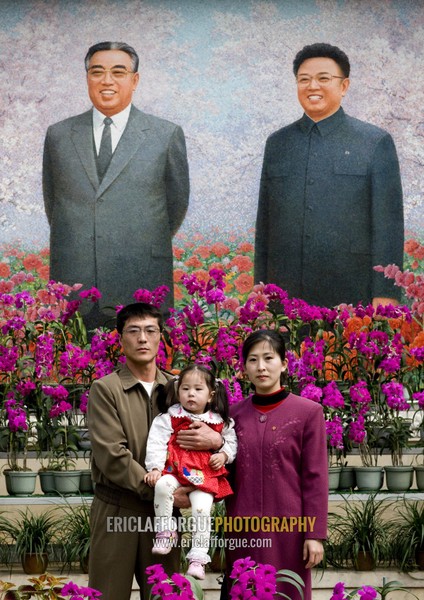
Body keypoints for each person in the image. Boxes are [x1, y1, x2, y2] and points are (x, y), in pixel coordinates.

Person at [43, 41, 189, 331]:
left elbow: (176, 205)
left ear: (134, 80)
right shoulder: (59, 135)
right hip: (76, 282)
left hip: (141, 279)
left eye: (118, 72)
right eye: (97, 72)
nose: (106, 80)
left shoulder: (165, 134)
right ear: (88, 78)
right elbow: (54, 205)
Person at [87, 303, 223, 600]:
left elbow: (220, 427)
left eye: (150, 331)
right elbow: (113, 455)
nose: (142, 338)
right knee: (107, 594)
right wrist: (163, 491)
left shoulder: (179, 388)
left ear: (161, 337)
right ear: (120, 338)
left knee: (166, 595)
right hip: (118, 509)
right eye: (133, 331)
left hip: (164, 516)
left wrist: (218, 444)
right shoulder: (105, 389)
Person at [254, 42, 404, 308]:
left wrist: (386, 295)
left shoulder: (374, 142)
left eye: (324, 78)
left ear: (344, 86)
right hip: (284, 296)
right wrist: (260, 292)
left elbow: (388, 228)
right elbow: (265, 225)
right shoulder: (277, 143)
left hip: (351, 293)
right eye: (304, 79)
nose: (313, 86)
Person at [221, 329, 328, 600]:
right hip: (242, 529)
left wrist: (314, 534)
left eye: (269, 358)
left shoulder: (308, 413)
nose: (261, 367)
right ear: (244, 367)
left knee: (285, 592)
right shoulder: (233, 416)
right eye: (253, 360)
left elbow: (315, 477)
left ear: (284, 363)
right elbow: (223, 471)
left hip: (289, 532)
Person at [144, 364, 237, 580]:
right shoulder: (169, 417)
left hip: (205, 474)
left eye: (198, 389)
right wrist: (155, 468)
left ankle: (198, 556)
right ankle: (165, 531)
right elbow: (156, 442)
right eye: (185, 389)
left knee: (202, 510)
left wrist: (222, 455)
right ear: (178, 391)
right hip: (175, 470)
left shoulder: (220, 421)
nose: (191, 394)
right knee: (162, 486)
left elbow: (232, 443)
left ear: (211, 395)